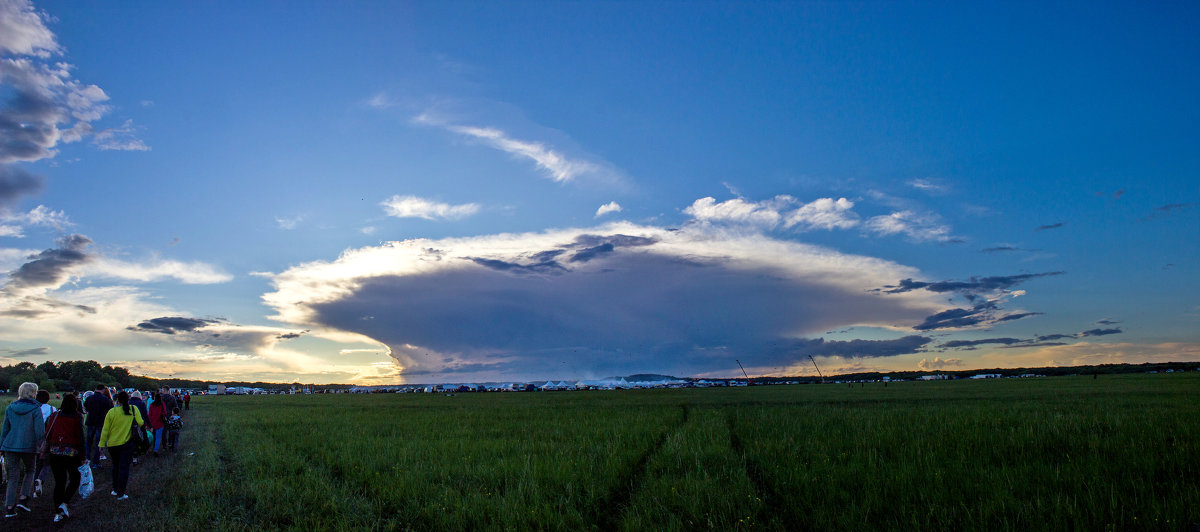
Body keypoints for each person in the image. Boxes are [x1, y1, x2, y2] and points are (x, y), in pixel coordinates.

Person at [1, 382, 46, 518]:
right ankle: (23, 498)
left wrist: (1, 446)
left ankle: (9, 507)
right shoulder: (35, 409)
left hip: (10, 445)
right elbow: (39, 431)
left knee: (13, 476)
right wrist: (42, 445)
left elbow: (5, 429)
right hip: (29, 446)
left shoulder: (10, 408)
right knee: (30, 470)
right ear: (33, 393)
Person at [44, 394, 87, 523]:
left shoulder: (55, 415)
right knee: (75, 478)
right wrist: (83, 455)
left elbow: (48, 433)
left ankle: (58, 510)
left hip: (55, 452)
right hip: (71, 453)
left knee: (59, 482)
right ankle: (64, 502)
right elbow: (80, 437)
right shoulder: (77, 417)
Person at [98, 391, 144, 500]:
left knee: (115, 466)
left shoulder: (111, 412)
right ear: (128, 399)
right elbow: (141, 422)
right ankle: (121, 493)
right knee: (124, 468)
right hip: (126, 444)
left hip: (112, 445)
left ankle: (115, 489)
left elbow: (105, 430)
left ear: (117, 400)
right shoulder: (133, 409)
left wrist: (101, 444)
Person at [32, 390, 57, 497]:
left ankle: (34, 488)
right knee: (46, 463)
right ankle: (40, 480)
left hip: (34, 439)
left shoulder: (33, 409)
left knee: (35, 464)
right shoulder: (53, 409)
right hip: (47, 439)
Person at [83, 384, 112, 468]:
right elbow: (110, 410)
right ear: (103, 390)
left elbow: (86, 408)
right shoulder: (106, 400)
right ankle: (96, 462)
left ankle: (87, 459)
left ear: (95, 389)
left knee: (88, 442)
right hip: (101, 423)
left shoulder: (89, 398)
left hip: (91, 421)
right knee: (98, 443)